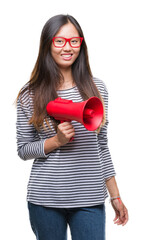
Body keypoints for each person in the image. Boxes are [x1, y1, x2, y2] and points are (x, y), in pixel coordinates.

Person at [16, 14, 128, 240]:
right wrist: (55, 141)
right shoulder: (30, 94)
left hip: (89, 199)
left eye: (74, 41)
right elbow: (23, 149)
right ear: (48, 43)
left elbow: (102, 147)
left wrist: (115, 195)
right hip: (45, 199)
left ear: (81, 44)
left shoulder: (98, 89)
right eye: (60, 41)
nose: (67, 47)